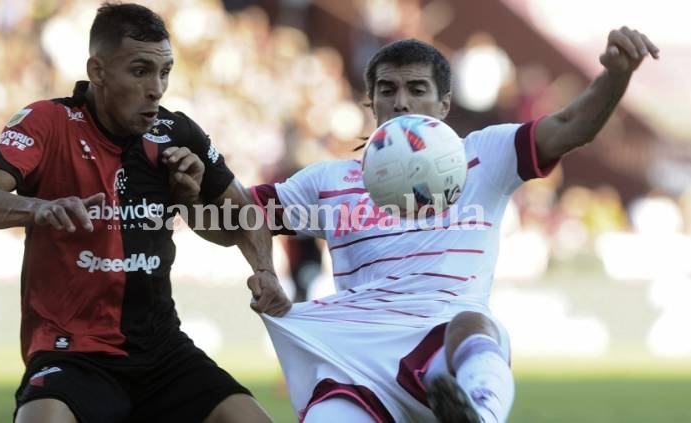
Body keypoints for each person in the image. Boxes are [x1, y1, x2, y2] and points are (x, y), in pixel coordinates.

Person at [250, 27, 659, 422]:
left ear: (444, 104)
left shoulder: (484, 156)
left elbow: (571, 126)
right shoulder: (329, 182)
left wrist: (614, 77)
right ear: (370, 102)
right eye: (387, 90)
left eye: (417, 89)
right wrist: (197, 178)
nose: (401, 102)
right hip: (357, 362)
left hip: (443, 352)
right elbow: (236, 215)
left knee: (472, 324)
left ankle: (478, 415)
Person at [0, 3, 289, 423]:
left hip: (161, 352)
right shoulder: (47, 122)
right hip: (72, 351)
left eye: (165, 72)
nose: (157, 88)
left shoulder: (177, 133)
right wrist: (39, 207)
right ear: (98, 71)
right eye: (141, 70)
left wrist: (257, 262)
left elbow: (242, 218)